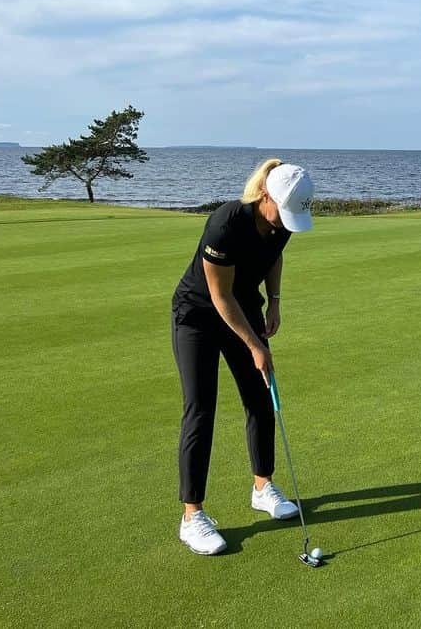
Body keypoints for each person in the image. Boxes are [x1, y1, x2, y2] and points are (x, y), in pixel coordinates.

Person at [170, 159, 314, 555]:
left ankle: (263, 486)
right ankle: (191, 516)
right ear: (266, 195)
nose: (286, 224)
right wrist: (255, 346)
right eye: (281, 213)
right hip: (197, 316)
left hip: (245, 308)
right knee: (201, 409)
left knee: (260, 397)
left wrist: (275, 303)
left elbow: (274, 255)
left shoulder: (280, 222)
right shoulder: (225, 222)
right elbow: (220, 296)